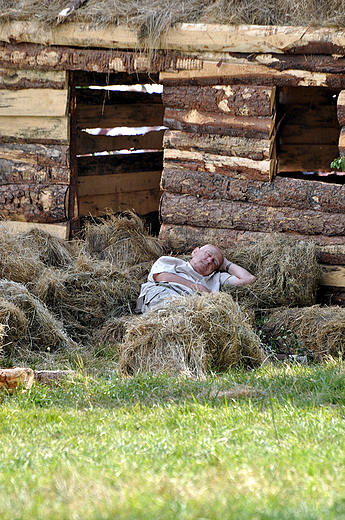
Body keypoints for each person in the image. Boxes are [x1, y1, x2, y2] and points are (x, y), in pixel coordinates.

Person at [136, 244, 256, 313]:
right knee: (168, 312)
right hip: (165, 293)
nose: (209, 261)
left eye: (214, 262)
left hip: (194, 308)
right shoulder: (171, 262)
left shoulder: (216, 278)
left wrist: (226, 264)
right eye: (208, 254)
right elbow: (162, 277)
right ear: (195, 251)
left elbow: (249, 279)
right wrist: (199, 288)